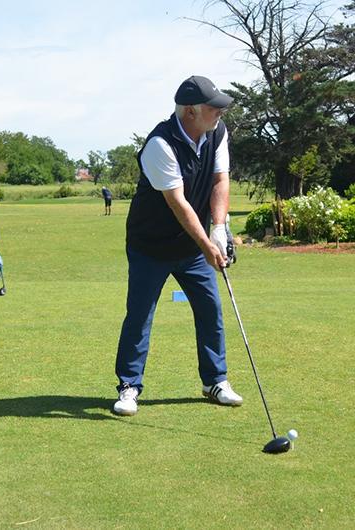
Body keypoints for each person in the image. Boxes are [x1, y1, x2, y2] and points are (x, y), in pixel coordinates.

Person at [112, 75, 242, 416]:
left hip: (191, 244)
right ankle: (129, 386)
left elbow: (219, 179)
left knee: (210, 308)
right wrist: (206, 243)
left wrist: (219, 228)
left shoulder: (217, 133)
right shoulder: (160, 144)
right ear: (189, 111)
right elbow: (178, 203)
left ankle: (215, 380)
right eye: (213, 109)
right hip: (150, 245)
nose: (220, 114)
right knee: (140, 316)